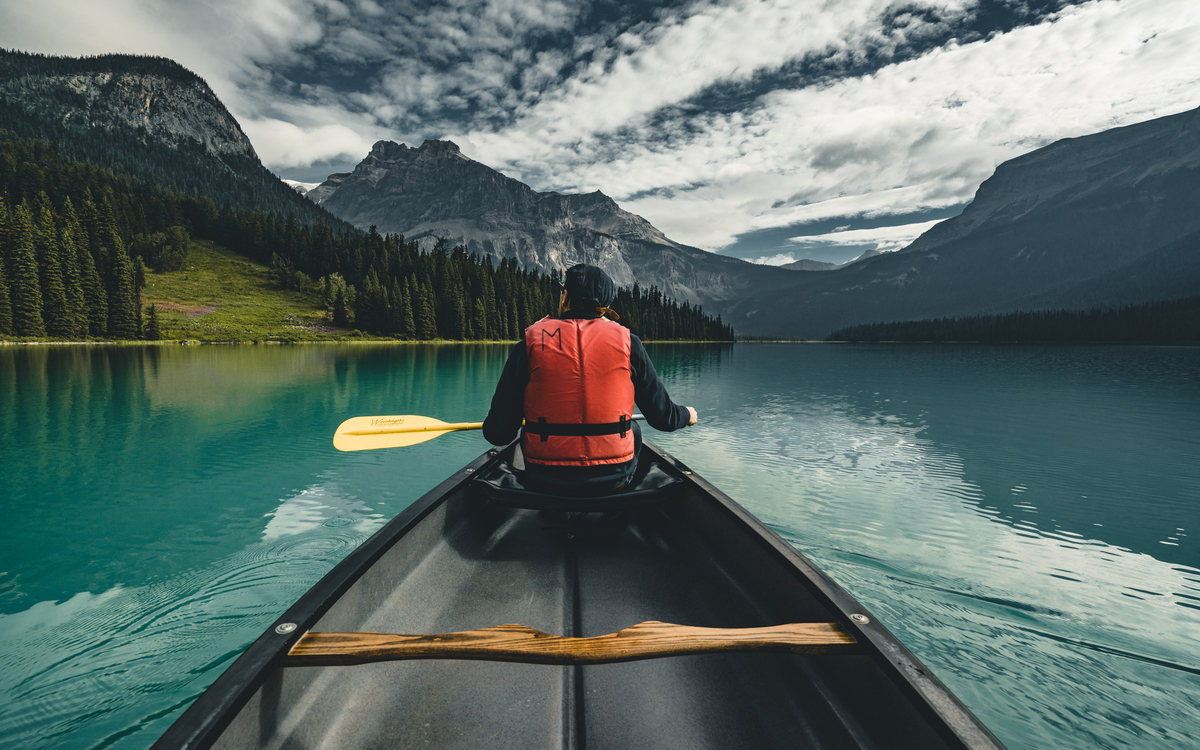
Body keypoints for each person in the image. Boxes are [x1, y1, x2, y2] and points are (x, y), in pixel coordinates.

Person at [483, 263, 698, 496]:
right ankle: (614, 510)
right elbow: (663, 418)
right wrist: (687, 415)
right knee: (632, 429)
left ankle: (556, 509)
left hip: (544, 476)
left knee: (529, 434)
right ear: (606, 308)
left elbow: (498, 434)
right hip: (613, 478)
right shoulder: (629, 343)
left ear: (565, 297)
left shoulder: (530, 344)